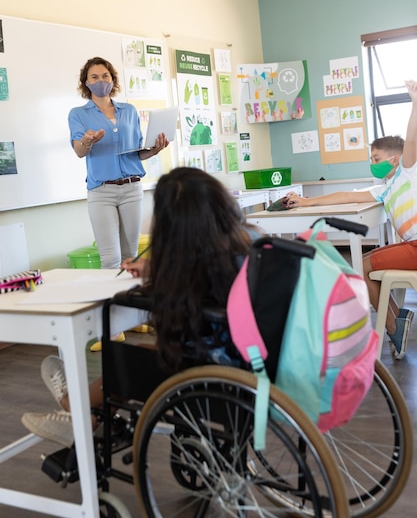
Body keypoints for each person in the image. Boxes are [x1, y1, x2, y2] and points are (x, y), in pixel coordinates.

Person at [21, 167, 261, 447]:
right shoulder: (249, 241)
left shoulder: (200, 268)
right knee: (142, 356)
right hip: (255, 363)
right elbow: (198, 267)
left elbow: (180, 318)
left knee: (126, 361)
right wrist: (157, 268)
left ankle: (73, 403)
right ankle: (88, 418)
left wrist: (160, 278)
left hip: (216, 373)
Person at [283, 79, 417, 360]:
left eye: (377, 157)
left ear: (395, 159)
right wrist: (308, 201)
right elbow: (346, 196)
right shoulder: (384, 188)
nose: (372, 162)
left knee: (360, 267)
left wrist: (415, 102)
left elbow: (412, 138)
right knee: (362, 266)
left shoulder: (407, 170)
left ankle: (394, 324)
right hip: (411, 248)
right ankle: (397, 320)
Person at [69, 56, 169, 351]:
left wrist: (155, 149)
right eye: (94, 77)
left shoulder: (129, 111)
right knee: (110, 260)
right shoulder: (79, 114)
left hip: (132, 188)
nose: (101, 81)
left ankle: (131, 316)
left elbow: (135, 153)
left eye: (105, 75)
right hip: (101, 191)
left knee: (130, 256)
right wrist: (87, 140)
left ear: (112, 78)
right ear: (86, 83)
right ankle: (110, 327)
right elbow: (78, 151)